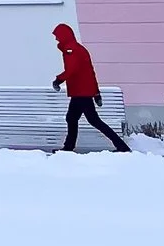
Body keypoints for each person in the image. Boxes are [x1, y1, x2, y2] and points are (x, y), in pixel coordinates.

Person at [50, 24, 129, 152]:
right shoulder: (79, 49)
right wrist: (96, 93)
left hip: (80, 92)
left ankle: (121, 147)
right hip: (83, 92)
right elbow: (90, 72)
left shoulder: (71, 49)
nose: (56, 39)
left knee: (91, 120)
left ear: (64, 36)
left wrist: (58, 80)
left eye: (57, 36)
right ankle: (68, 147)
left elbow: (72, 69)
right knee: (74, 118)